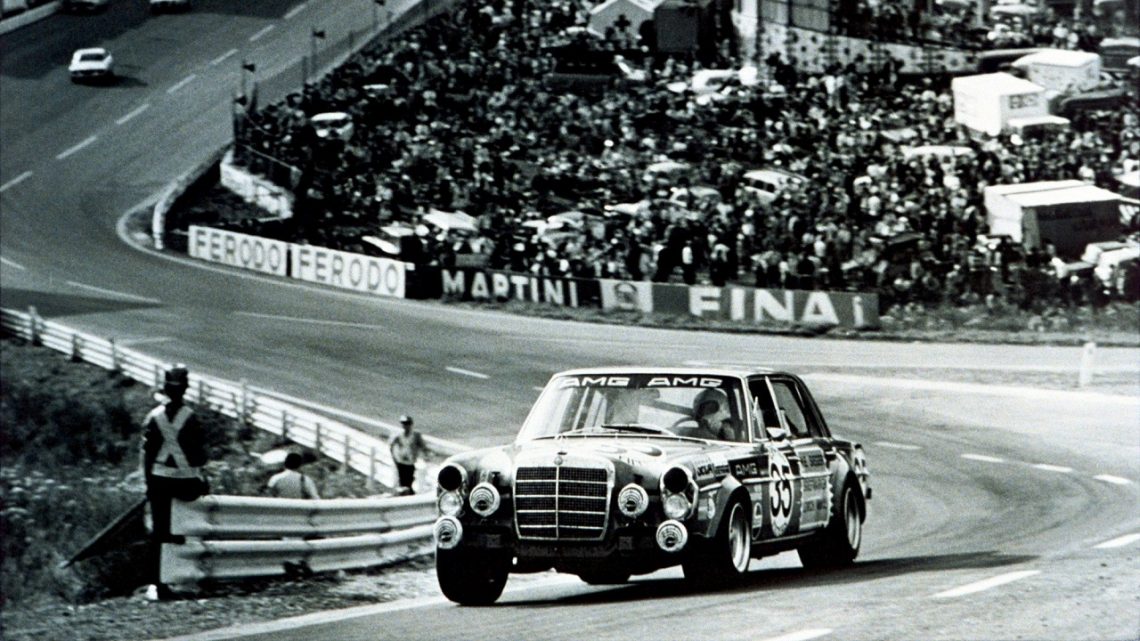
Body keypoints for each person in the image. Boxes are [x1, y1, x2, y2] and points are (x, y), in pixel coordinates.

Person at [140, 364, 209, 600]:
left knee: (159, 532)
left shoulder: (154, 417)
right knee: (188, 529)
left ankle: (158, 583)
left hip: (159, 481)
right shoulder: (192, 418)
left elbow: (147, 456)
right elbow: (200, 457)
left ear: (165, 389)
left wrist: (148, 485)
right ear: (186, 388)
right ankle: (185, 578)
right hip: (187, 483)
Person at [389, 415, 425, 495]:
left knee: (409, 482)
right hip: (400, 462)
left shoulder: (415, 435)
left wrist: (418, 455)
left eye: (407, 423)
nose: (405, 426)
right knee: (402, 482)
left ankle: (409, 495)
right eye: (404, 424)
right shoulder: (398, 435)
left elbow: (422, 446)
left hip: (410, 463)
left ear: (411, 424)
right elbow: (391, 446)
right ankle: (405, 496)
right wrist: (394, 458)